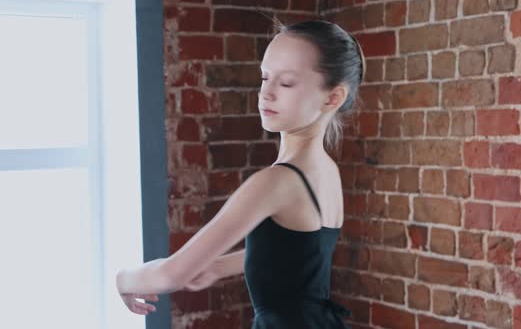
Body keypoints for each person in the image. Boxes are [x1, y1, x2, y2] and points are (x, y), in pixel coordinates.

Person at [116, 19, 366, 329]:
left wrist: (123, 279)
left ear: (333, 97)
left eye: (286, 83)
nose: (266, 93)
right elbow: (300, 253)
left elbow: (171, 274)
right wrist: (221, 266)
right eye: (265, 77)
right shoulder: (325, 170)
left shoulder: (275, 182)